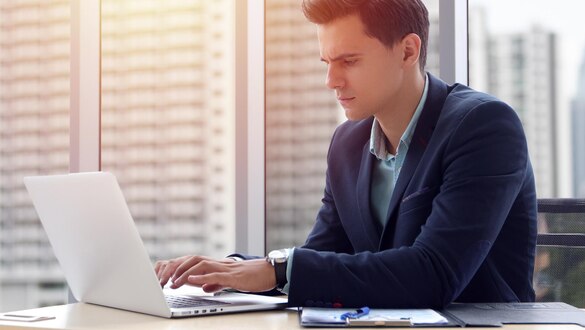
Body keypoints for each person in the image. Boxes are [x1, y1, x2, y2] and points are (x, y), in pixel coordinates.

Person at [154, 0, 537, 309]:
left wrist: (279, 269)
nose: (331, 81)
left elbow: (434, 274)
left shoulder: (483, 126)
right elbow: (322, 259)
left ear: (407, 50)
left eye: (348, 61)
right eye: (327, 63)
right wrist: (230, 272)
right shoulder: (347, 145)